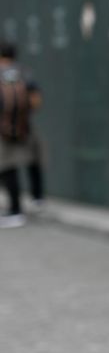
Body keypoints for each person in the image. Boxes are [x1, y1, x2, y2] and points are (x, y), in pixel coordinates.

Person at [0, 42, 41, 228]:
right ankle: (38, 198)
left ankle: (15, 210)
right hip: (25, 125)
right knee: (32, 159)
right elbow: (36, 100)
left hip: (3, 129)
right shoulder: (24, 72)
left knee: (8, 166)